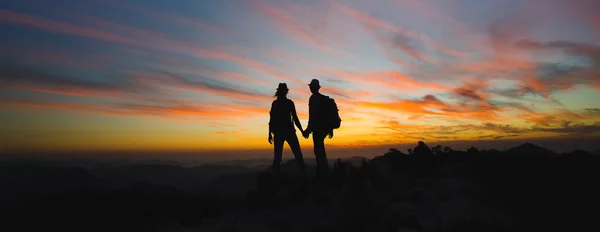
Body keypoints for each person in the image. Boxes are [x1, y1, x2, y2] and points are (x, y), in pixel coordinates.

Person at [268, 83, 306, 175]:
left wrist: (269, 134)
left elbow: (272, 119)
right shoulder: (288, 103)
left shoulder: (276, 104)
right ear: (286, 91)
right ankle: (303, 175)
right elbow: (295, 118)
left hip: (279, 132)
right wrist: (302, 131)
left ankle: (276, 177)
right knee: (297, 154)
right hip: (289, 131)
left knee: (278, 157)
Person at [302, 79, 333, 181]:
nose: (310, 88)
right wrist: (330, 128)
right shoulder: (322, 99)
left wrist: (308, 129)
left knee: (319, 152)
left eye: (311, 86)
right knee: (320, 151)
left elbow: (313, 116)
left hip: (318, 129)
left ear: (313, 88)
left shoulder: (313, 99)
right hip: (323, 129)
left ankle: (322, 176)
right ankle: (324, 174)